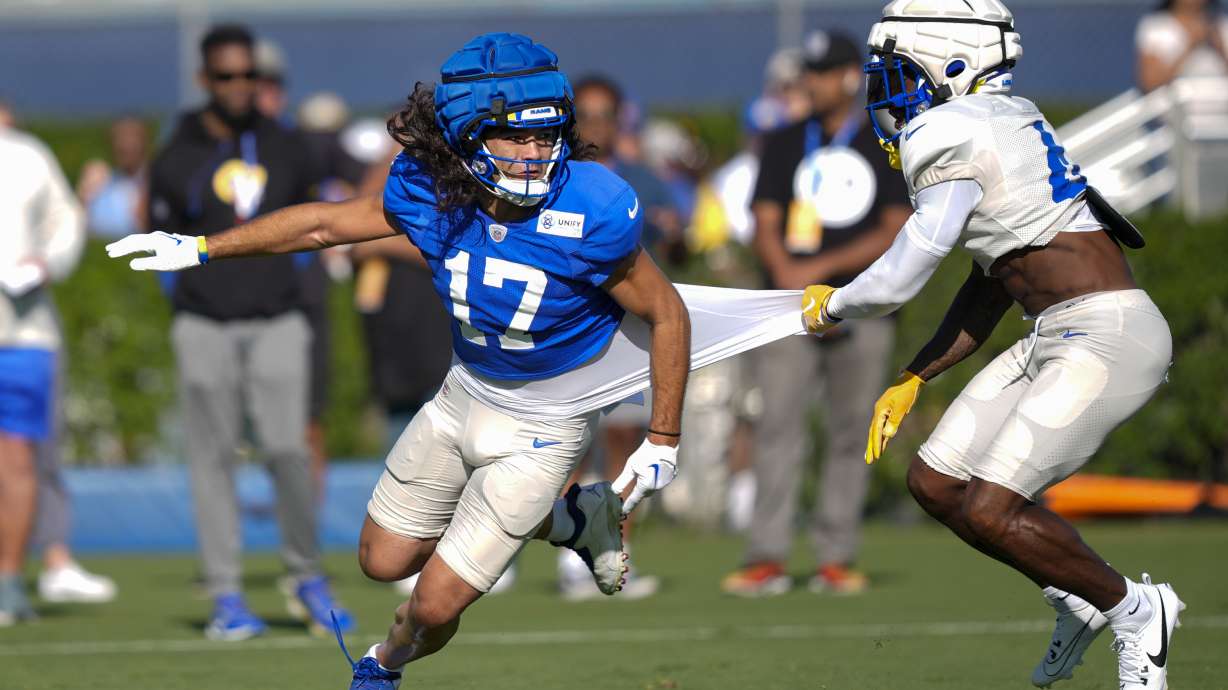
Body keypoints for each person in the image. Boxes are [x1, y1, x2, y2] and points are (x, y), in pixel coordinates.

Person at [106, 33, 813, 689]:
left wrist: (663, 438)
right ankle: (577, 521)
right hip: (463, 395)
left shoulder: (594, 205)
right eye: (514, 134)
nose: (536, 154)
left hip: (548, 420)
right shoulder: (429, 187)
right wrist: (201, 246)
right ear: (467, 134)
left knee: (435, 605)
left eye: (546, 133)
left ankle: (385, 665)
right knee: (381, 561)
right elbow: (325, 223)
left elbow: (667, 311)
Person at [802, 2, 1182, 689]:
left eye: (899, 74)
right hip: (1057, 332)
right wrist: (917, 374)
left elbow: (907, 268)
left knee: (990, 508)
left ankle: (1134, 609)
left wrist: (834, 304)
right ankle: (1078, 599)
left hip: (1106, 331)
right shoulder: (998, 122)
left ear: (952, 65)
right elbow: (995, 280)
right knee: (936, 484)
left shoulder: (950, 130)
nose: (887, 94)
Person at [144, 23, 352, 641]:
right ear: (205, 80)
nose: (240, 87)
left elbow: (314, 224)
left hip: (278, 320)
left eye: (249, 76)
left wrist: (289, 286)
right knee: (211, 461)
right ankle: (227, 595)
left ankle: (307, 575)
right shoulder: (177, 151)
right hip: (203, 323)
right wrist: (187, 301)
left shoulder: (288, 145)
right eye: (227, 76)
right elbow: (157, 236)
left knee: (289, 448)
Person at [721, 29, 911, 597]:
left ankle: (835, 556)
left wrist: (821, 269)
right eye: (808, 70)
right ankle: (767, 556)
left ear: (852, 76)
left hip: (864, 305)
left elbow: (896, 228)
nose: (811, 81)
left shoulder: (885, 141)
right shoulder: (782, 140)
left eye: (823, 71)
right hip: (789, 308)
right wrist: (787, 273)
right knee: (777, 426)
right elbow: (765, 218)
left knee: (852, 431)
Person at [0, 126, 86, 625]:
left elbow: (66, 223)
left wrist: (46, 262)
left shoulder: (27, 154)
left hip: (23, 337)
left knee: (16, 459)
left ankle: (9, 582)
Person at [76, 117, 149, 239]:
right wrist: (83, 200)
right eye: (120, 137)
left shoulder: (154, 184)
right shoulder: (101, 183)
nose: (125, 144)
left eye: (132, 137)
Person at [1137, 0, 1228, 92]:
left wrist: (1220, 48)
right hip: (1174, 104)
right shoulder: (1156, 26)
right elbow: (1150, 83)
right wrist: (1190, 45)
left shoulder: (1222, 25)